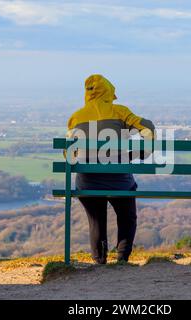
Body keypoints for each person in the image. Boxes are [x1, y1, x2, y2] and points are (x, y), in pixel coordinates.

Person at [66, 74, 155, 264]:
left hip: (88, 183)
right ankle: (122, 259)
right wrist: (143, 152)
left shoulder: (76, 117)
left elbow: (68, 154)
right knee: (127, 217)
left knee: (96, 220)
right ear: (109, 90)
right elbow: (147, 127)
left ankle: (99, 260)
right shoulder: (120, 112)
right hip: (120, 182)